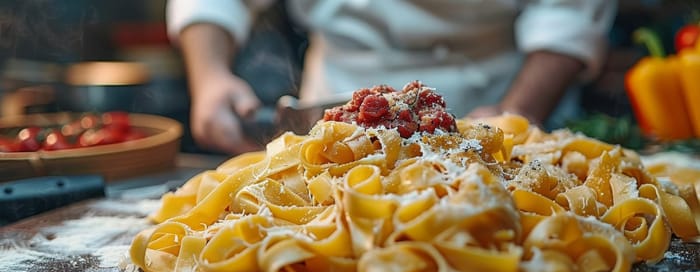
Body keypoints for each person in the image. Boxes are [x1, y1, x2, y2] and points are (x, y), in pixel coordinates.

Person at [167, 0, 617, 154]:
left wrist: (518, 112)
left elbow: (568, 12)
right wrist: (209, 76)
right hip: (332, 124)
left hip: (498, 104)